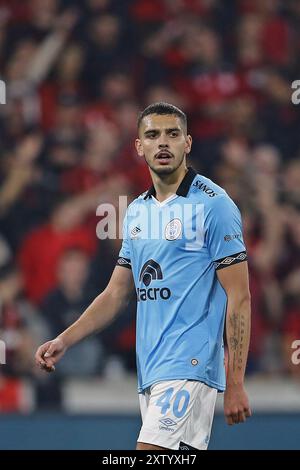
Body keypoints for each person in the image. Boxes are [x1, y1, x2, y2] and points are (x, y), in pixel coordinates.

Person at [35, 102, 251, 450]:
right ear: (139, 146)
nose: (162, 143)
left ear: (188, 143)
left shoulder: (214, 205)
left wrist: (236, 380)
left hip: (190, 363)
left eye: (172, 134)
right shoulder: (136, 211)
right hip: (151, 368)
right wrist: (65, 339)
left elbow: (239, 297)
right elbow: (116, 293)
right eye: (152, 135)